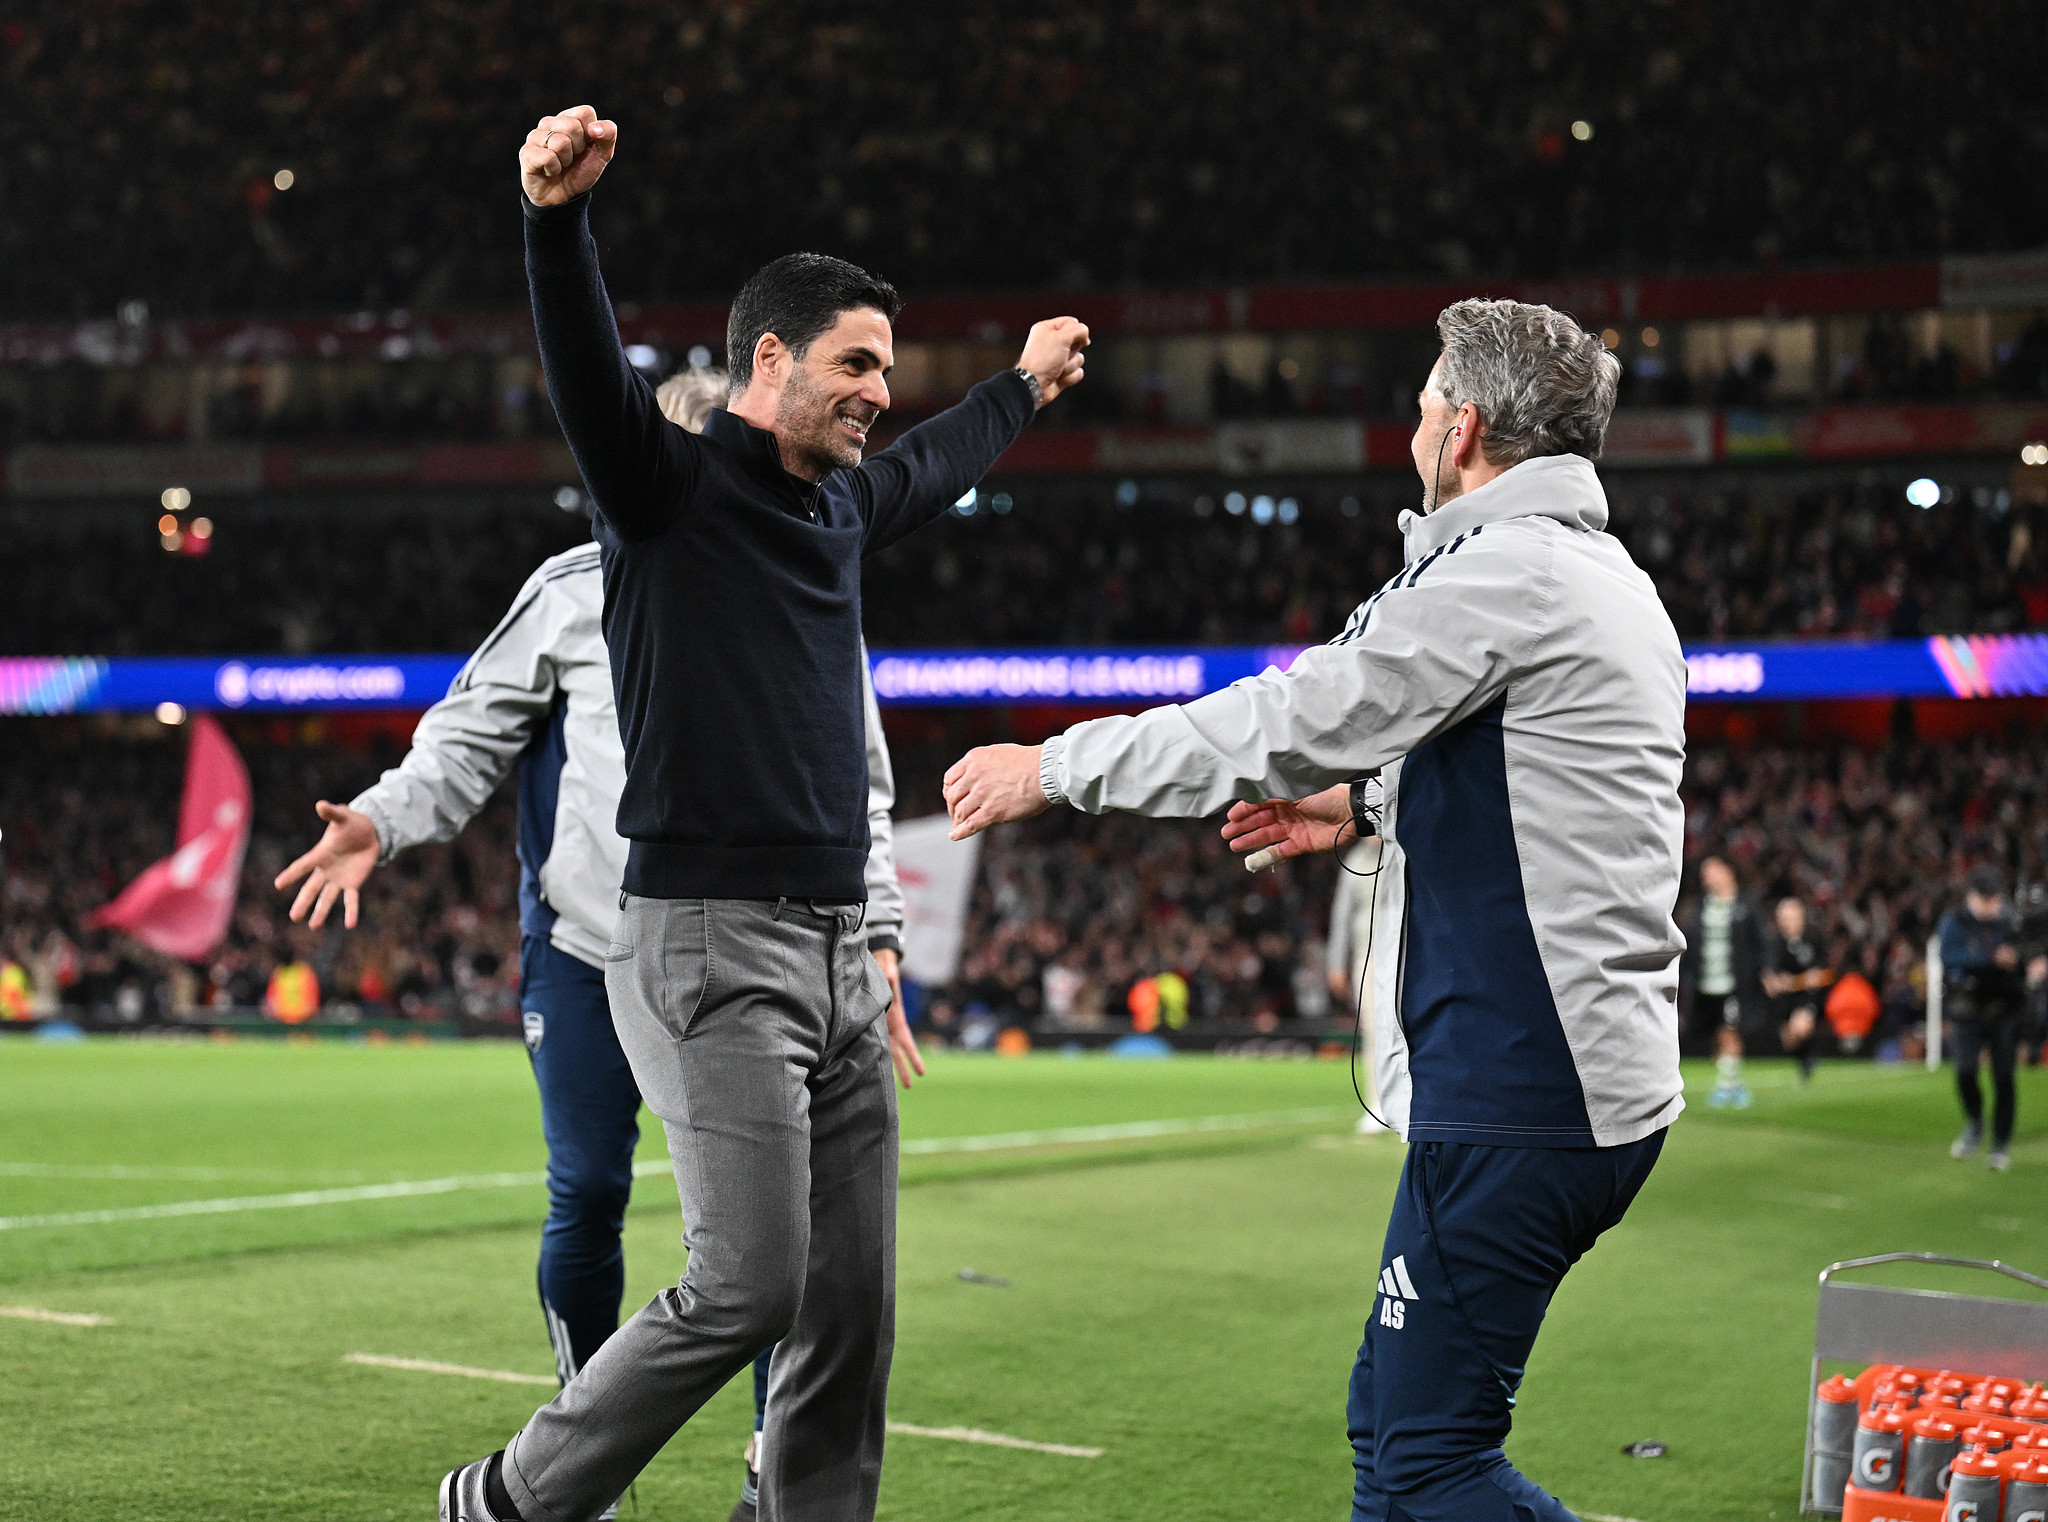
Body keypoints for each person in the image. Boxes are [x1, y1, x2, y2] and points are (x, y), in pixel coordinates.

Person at [433, 105, 1088, 1522]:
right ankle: (514, 1497)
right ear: (769, 359)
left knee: (849, 1304)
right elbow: (585, 374)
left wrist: (1024, 384)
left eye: (887, 371)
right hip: (709, 943)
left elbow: (937, 458)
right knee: (749, 1279)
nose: (876, 395)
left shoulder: (842, 504)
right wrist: (555, 223)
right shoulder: (662, 487)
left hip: (839, 947)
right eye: (856, 365)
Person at [944, 297, 1684, 1522]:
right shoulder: (1586, 572)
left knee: (1424, 1461)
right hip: (1549, 1079)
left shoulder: (1506, 571)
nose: (1410, 425)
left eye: (1420, 400)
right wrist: (1369, 810)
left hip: (1524, 1086)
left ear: (1466, 428)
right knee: (1390, 1438)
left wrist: (1056, 767)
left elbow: (1286, 718)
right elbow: (1544, 785)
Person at [274, 365, 921, 1522]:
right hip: (588, 945)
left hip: (754, 949)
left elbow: (855, 783)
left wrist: (872, 933)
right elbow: (464, 736)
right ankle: (582, 1452)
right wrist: (379, 817)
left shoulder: (804, 575)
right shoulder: (573, 591)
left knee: (781, 1243)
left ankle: (775, 1459)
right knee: (590, 1193)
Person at [1940, 865, 2024, 1171]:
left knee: (2004, 1077)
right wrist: (1991, 962)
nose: (1991, 905)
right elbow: (1949, 958)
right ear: (1972, 897)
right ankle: (1975, 1122)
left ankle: (2000, 1144)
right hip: (1967, 1010)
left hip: (2002, 1009)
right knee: (1964, 1071)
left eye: (1995, 898)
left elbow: (2026, 951)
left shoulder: (2011, 921)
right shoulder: (1954, 921)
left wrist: (2020, 961)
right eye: (1985, 898)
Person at [1681, 856, 1767, 1107]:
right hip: (1706, 983)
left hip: (1734, 983)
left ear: (1728, 872)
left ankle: (1727, 1085)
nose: (1706, 877)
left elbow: (1760, 942)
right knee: (1719, 1033)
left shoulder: (1746, 905)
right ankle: (1731, 1082)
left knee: (1730, 1030)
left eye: (1712, 871)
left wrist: (1766, 971)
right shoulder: (1699, 907)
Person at [1762, 896, 1830, 1084]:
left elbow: (1825, 972)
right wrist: (1774, 982)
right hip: (1783, 1002)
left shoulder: (1814, 938)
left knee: (1800, 1027)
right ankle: (1806, 1062)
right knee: (1788, 1040)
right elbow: (1769, 977)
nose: (1787, 923)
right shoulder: (1774, 943)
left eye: (1791, 918)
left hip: (1808, 998)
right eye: (1783, 918)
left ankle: (1811, 1058)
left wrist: (1806, 979)